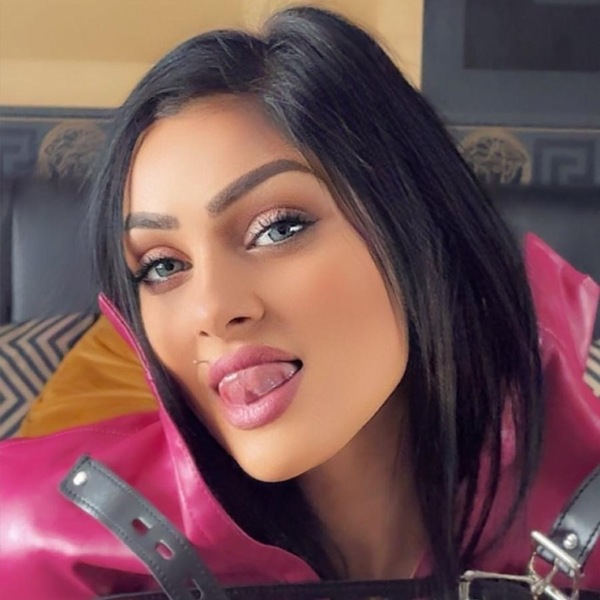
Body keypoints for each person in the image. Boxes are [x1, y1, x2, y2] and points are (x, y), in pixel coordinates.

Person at [1, 6, 598, 599]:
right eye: (163, 266)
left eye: (278, 228)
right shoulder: (43, 551)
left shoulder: (581, 520)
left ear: (420, 225)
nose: (212, 310)